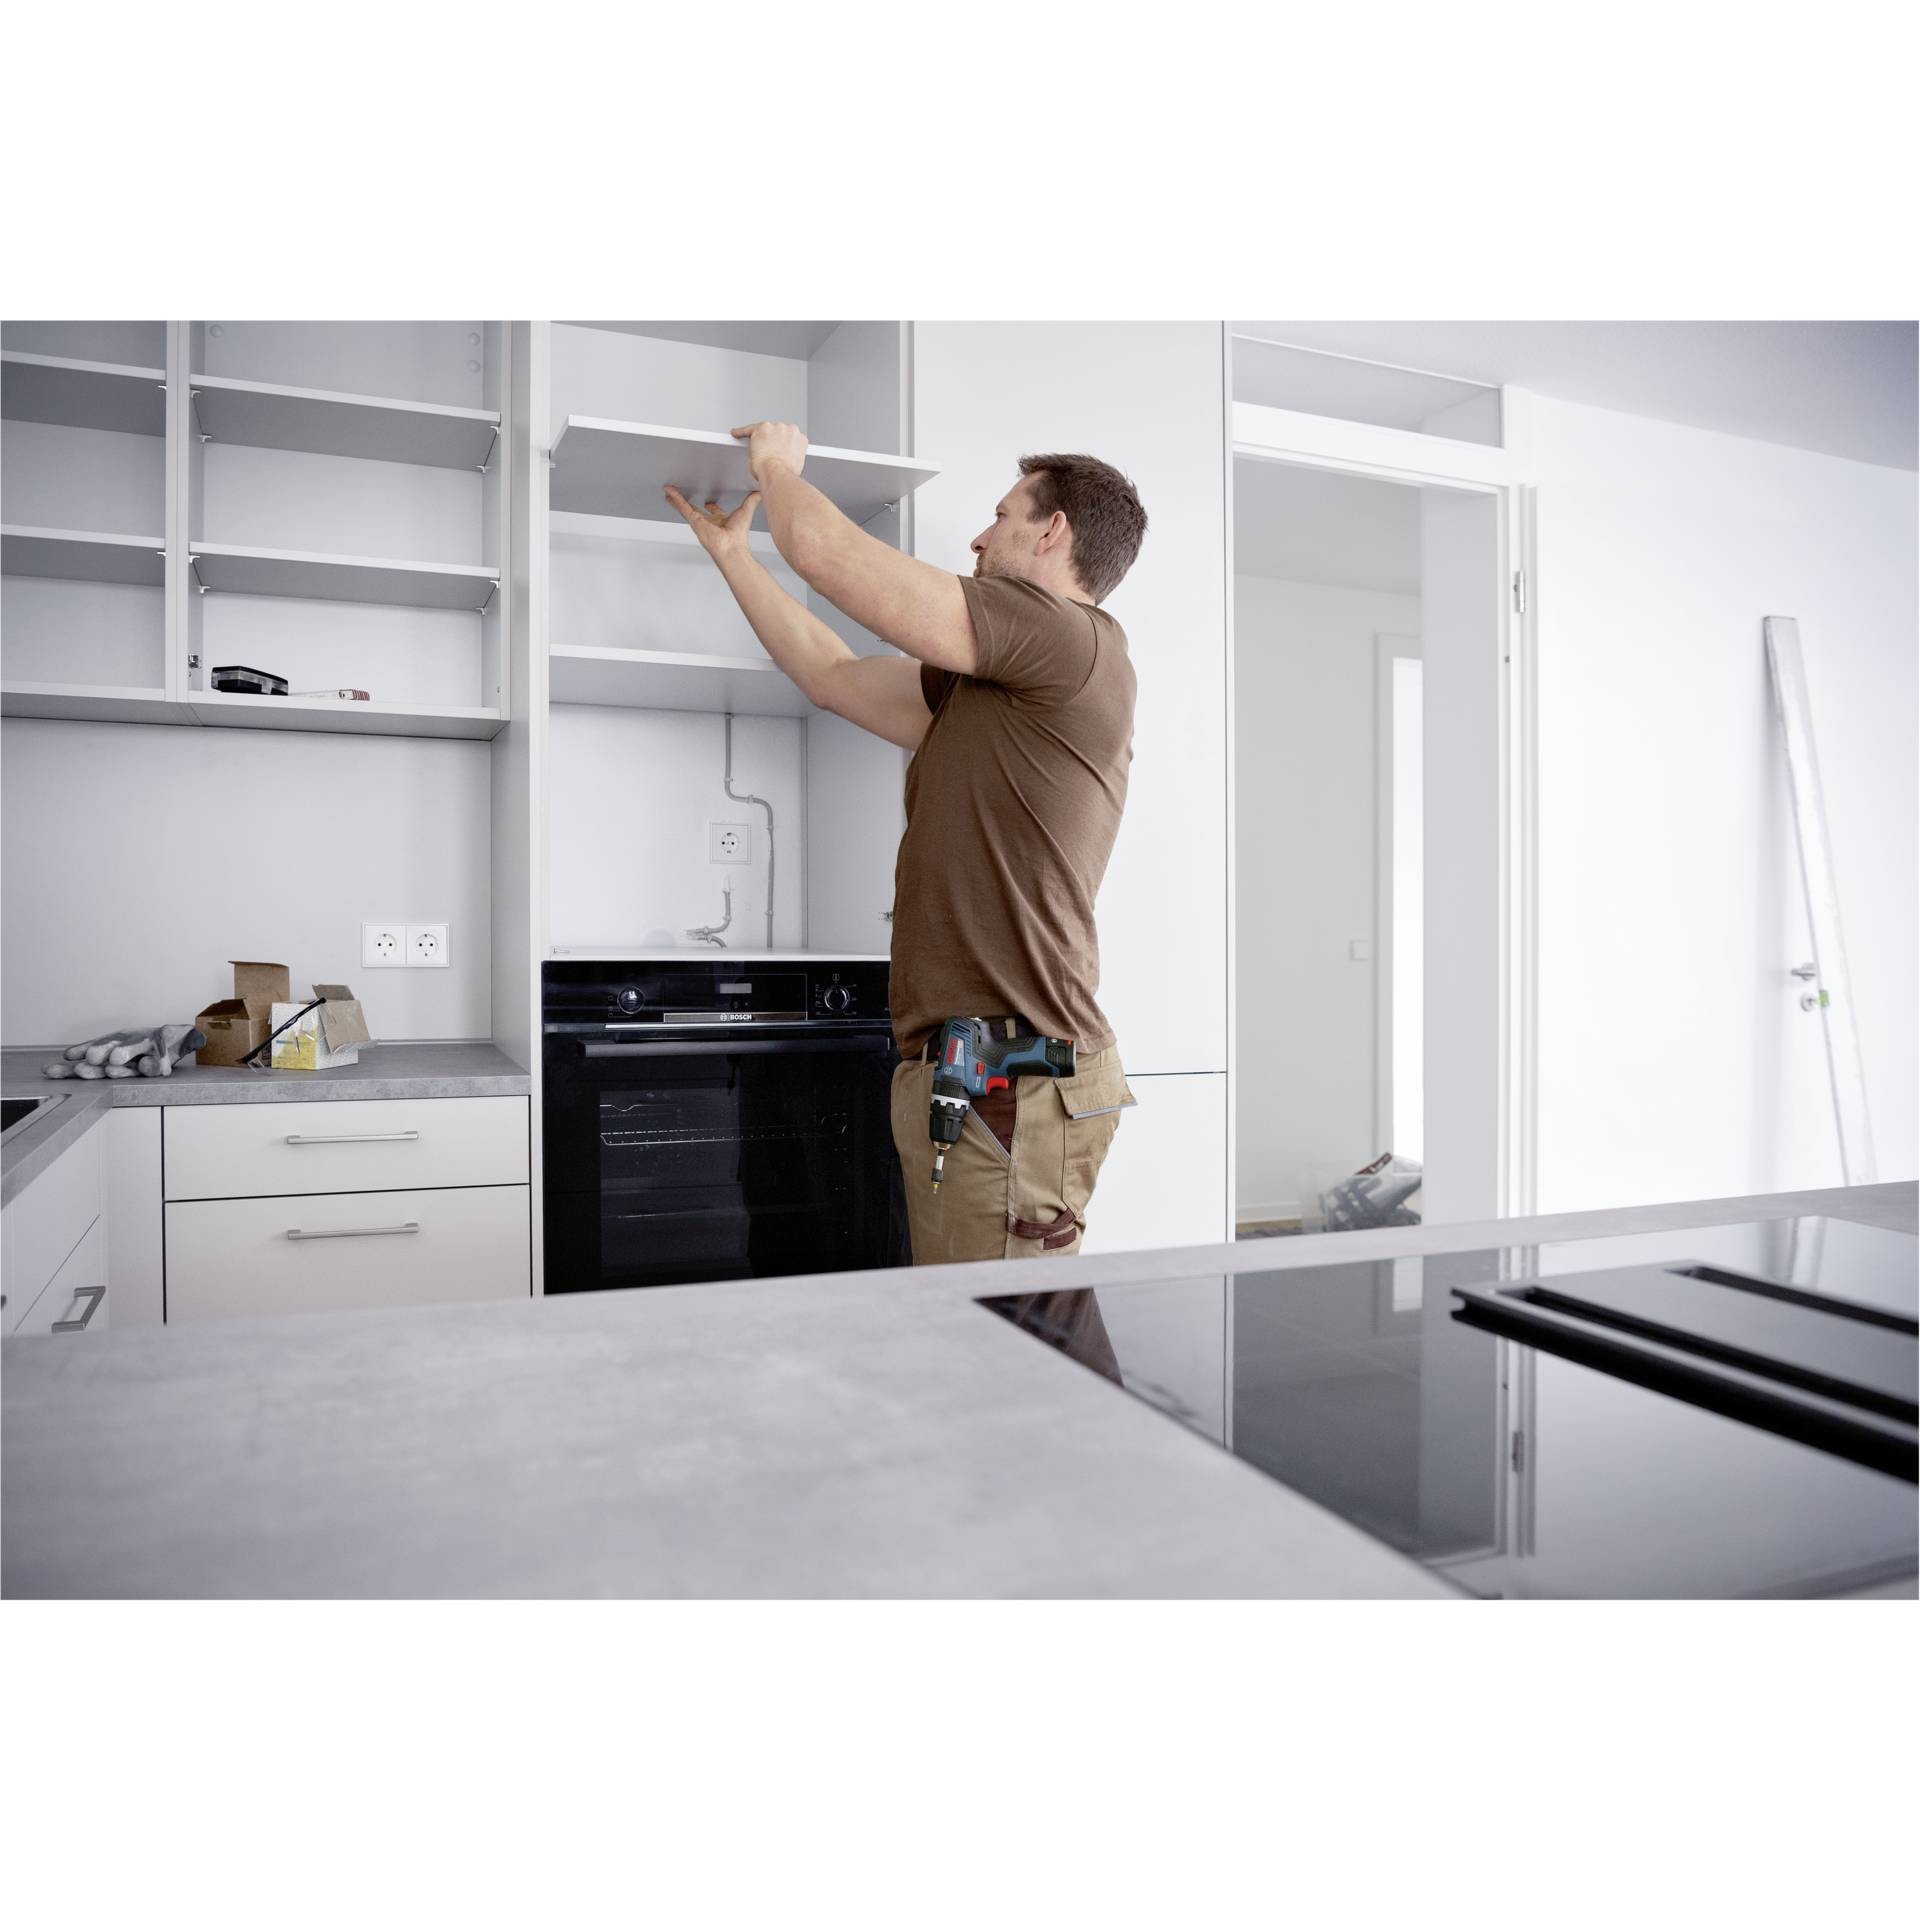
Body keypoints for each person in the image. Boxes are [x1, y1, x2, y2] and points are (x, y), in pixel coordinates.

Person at [668, 424, 1144, 1263]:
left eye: (1002, 516)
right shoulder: (995, 684)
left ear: (1053, 530)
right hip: (977, 1070)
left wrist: (776, 464)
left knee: (999, 1328)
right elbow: (834, 677)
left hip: (1011, 1074)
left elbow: (823, 552)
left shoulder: (1068, 639)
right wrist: (736, 557)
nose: (979, 538)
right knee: (993, 1320)